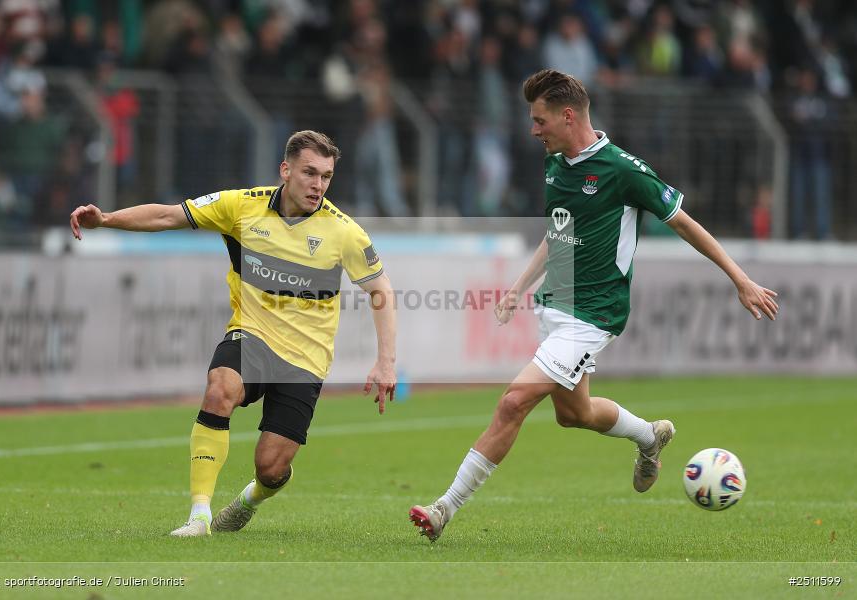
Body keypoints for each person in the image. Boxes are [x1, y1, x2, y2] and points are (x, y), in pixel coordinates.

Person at [409, 70, 778, 542]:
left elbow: (684, 223)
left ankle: (444, 508)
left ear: (568, 116)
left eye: (540, 120)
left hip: (594, 314)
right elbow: (559, 233)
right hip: (555, 305)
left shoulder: (623, 170)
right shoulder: (555, 165)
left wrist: (740, 279)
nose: (533, 130)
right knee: (574, 414)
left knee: (514, 402)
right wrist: (519, 286)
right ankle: (648, 436)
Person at [70, 130, 397, 537]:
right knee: (219, 388)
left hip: (305, 359)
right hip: (251, 335)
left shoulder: (343, 232)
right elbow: (168, 216)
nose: (318, 185)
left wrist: (386, 362)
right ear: (285, 170)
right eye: (309, 173)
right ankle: (199, 516)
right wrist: (106, 220)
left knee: (271, 467)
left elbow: (381, 290)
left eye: (326, 176)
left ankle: (251, 498)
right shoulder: (242, 206)